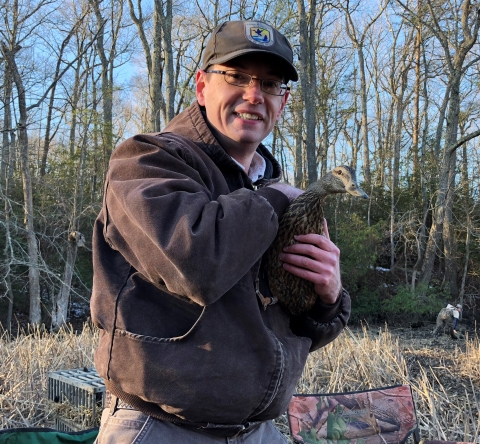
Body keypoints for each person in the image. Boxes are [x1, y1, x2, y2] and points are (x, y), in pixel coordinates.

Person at [90, 19, 351, 444]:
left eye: (270, 85)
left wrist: (326, 299)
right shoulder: (145, 161)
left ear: (282, 103)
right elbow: (194, 263)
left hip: (259, 431)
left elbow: (293, 328)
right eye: (236, 77)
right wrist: (278, 198)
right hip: (159, 428)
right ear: (201, 86)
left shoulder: (276, 192)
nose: (253, 96)